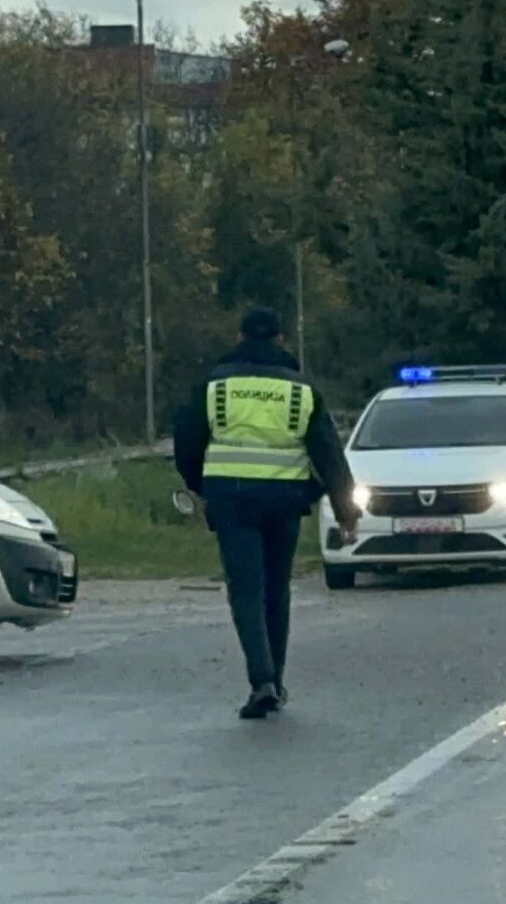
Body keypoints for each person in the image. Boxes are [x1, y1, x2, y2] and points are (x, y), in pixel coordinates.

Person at [174, 305, 360, 719]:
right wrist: (345, 510)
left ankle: (262, 681)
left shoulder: (214, 384)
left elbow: (186, 441)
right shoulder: (300, 389)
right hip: (284, 502)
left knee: (246, 591)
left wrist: (199, 485)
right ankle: (276, 679)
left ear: (239, 337)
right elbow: (328, 454)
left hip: (231, 501)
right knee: (277, 590)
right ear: (280, 341)